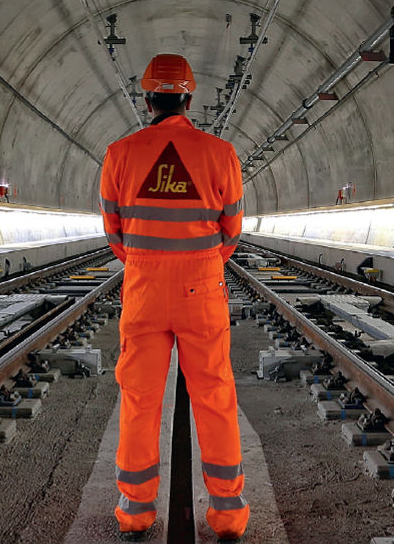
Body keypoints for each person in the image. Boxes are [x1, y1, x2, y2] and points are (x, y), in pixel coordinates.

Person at [99, 53, 248, 540]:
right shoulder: (220, 153)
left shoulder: (120, 154)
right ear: (189, 97)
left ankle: (136, 513)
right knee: (214, 396)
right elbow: (231, 231)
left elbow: (114, 233)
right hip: (203, 289)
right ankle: (227, 516)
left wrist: (145, 262)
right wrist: (202, 262)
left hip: (142, 289)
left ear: (147, 100)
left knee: (140, 400)